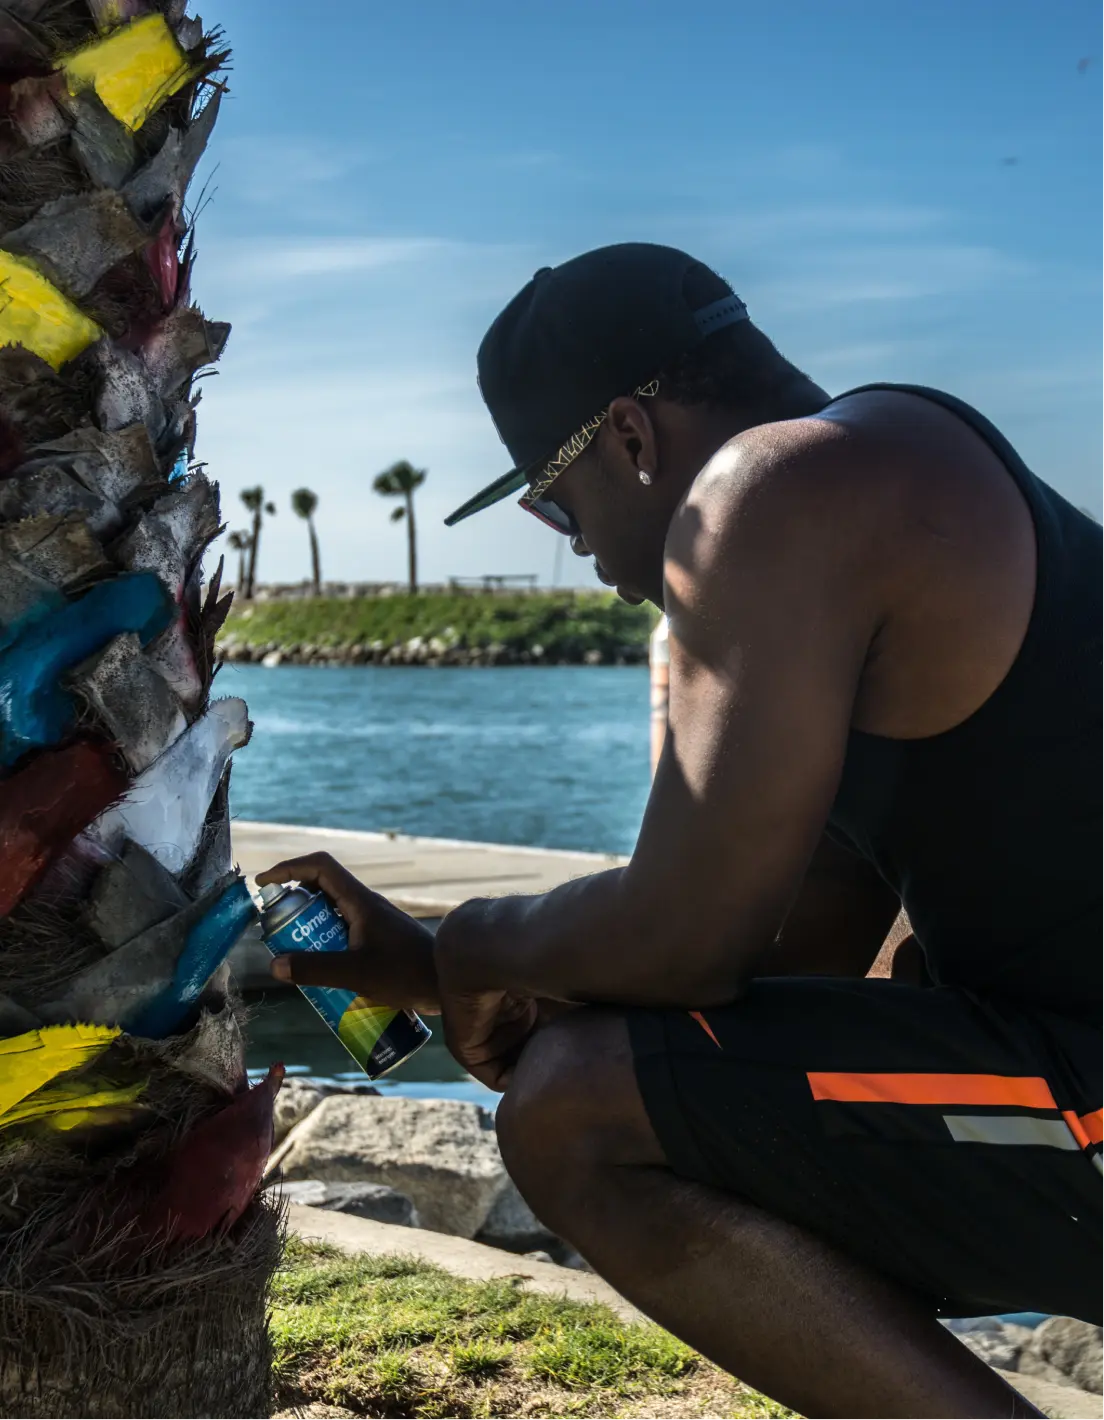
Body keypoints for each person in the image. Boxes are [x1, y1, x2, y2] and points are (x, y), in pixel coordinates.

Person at [258, 243, 1104, 1420]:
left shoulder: (776, 488)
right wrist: (450, 966)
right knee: (619, 1069)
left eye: (556, 504)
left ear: (630, 436)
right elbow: (786, 950)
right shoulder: (880, 479)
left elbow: (684, 938)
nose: (591, 561)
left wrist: (479, 950)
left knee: (572, 1114)